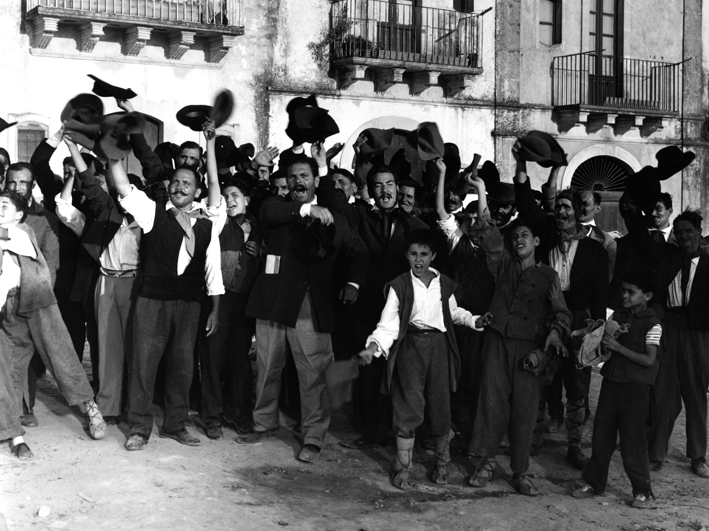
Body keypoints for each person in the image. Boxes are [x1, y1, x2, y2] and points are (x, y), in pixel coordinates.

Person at [240, 149, 369, 464]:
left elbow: (359, 251)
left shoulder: (334, 217)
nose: (298, 181)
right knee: (267, 368)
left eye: (305, 176)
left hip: (310, 307)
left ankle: (313, 436)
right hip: (272, 303)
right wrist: (303, 212)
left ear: (316, 181)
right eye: (294, 176)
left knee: (313, 375)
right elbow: (268, 213)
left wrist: (352, 283)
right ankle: (264, 423)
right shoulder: (277, 208)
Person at [112, 121, 224, 451]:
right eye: (175, 181)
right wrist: (113, 152)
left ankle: (175, 424)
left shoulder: (207, 222)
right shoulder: (152, 213)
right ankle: (138, 428)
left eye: (186, 183)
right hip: (151, 300)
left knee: (182, 366)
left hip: (189, 304)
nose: (179, 187)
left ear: (197, 190)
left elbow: (212, 269)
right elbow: (122, 186)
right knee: (144, 366)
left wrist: (211, 144)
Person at [359, 228, 482, 489]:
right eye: (413, 253)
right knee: (407, 405)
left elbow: (454, 313)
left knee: (440, 405)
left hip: (439, 348)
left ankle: (441, 463)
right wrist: (373, 347)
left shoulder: (443, 284)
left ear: (433, 255)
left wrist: (474, 320)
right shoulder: (400, 285)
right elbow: (388, 324)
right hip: (410, 349)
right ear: (406, 254)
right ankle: (403, 468)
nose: (418, 260)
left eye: (424, 254)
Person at [318, 162, 427, 448]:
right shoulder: (358, 216)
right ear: (370, 190)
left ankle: (401, 431)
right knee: (367, 374)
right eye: (378, 185)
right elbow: (333, 201)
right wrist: (320, 167)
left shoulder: (414, 225)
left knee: (401, 373)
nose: (385, 190)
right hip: (364, 311)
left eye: (389, 184)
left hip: (400, 314)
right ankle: (369, 432)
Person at [468, 214, 571, 496]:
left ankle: (520, 472)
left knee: (525, 411)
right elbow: (489, 240)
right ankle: (486, 464)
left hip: (529, 350)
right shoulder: (502, 265)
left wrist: (553, 333)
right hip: (497, 343)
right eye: (514, 237)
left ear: (536, 241)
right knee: (491, 404)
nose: (518, 240)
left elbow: (561, 312)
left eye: (524, 235)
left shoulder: (548, 275)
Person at [0, 190, 107, 452]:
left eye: (4, 205)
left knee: (61, 357)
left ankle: (91, 408)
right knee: (9, 369)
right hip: (9, 308)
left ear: (19, 213)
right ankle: (15, 435)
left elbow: (8, 237)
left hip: (37, 303)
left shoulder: (22, 231)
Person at [54, 135, 143, 425]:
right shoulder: (107, 213)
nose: (124, 197)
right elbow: (89, 182)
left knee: (136, 348)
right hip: (106, 283)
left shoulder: (147, 221)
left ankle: (135, 406)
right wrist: (71, 148)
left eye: (129, 192)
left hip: (134, 285)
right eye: (121, 192)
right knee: (107, 347)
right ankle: (109, 406)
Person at [572, 267, 662, 508]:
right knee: (602, 437)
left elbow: (649, 360)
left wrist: (619, 348)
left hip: (636, 391)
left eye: (631, 292)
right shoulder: (619, 317)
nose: (624, 295)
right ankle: (594, 483)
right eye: (623, 290)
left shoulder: (653, 324)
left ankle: (643, 492)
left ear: (647, 296)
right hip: (611, 385)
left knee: (633, 443)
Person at [198, 175, 262, 439]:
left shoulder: (258, 227)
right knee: (212, 357)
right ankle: (211, 415)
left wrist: (261, 253)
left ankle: (237, 413)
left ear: (247, 200)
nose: (229, 200)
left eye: (235, 195)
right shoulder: (216, 223)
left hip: (244, 302)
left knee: (239, 360)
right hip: (217, 299)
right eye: (225, 196)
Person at [648, 210, 709, 478]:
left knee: (696, 394)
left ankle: (698, 456)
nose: (683, 236)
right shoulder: (669, 259)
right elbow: (657, 292)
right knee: (665, 393)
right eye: (679, 231)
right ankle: (656, 453)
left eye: (688, 231)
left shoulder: (708, 264)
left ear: (698, 232)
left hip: (699, 334)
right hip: (670, 327)